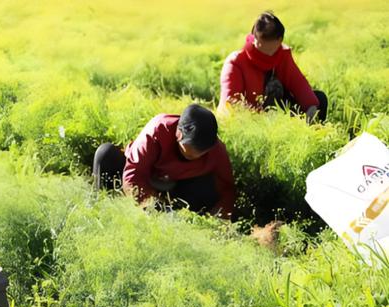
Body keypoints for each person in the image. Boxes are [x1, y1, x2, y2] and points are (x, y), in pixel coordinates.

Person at [93, 104, 235, 218]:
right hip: (144, 180)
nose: (196, 154)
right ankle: (101, 209)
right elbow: (133, 176)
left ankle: (186, 221)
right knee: (105, 153)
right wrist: (154, 209)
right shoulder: (158, 129)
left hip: (177, 188)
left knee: (208, 187)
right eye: (191, 148)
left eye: (202, 151)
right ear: (178, 133)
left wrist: (217, 220)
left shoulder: (217, 149)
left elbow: (227, 190)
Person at [218, 11, 327, 123]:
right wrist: (261, 119)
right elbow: (231, 105)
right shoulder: (236, 62)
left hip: (276, 115)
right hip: (250, 120)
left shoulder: (282, 55)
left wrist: (311, 106)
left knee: (319, 99)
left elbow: (298, 83)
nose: (268, 54)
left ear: (279, 40)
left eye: (271, 47)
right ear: (254, 37)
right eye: (262, 45)